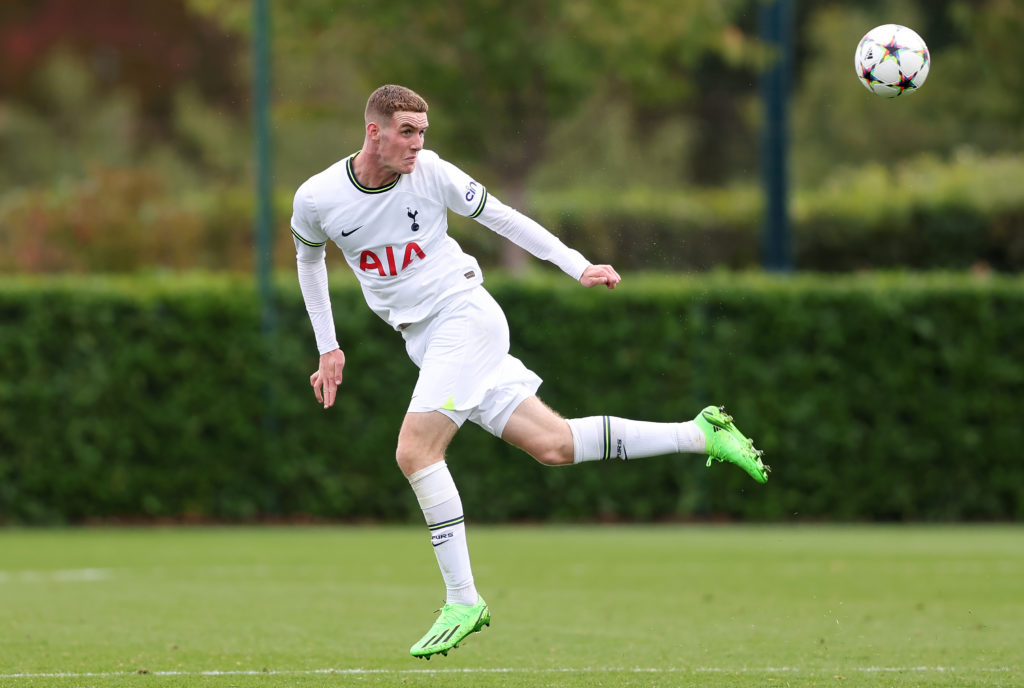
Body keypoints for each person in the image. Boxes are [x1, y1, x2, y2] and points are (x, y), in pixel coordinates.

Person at [291, 84, 769, 660]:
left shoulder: (433, 173)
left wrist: (577, 265)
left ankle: (463, 599)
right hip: (425, 339)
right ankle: (701, 433)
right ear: (374, 132)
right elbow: (309, 256)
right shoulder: (317, 197)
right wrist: (328, 345)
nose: (418, 143)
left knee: (415, 453)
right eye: (407, 132)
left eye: (423, 132)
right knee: (554, 445)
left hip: (464, 318)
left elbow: (504, 219)